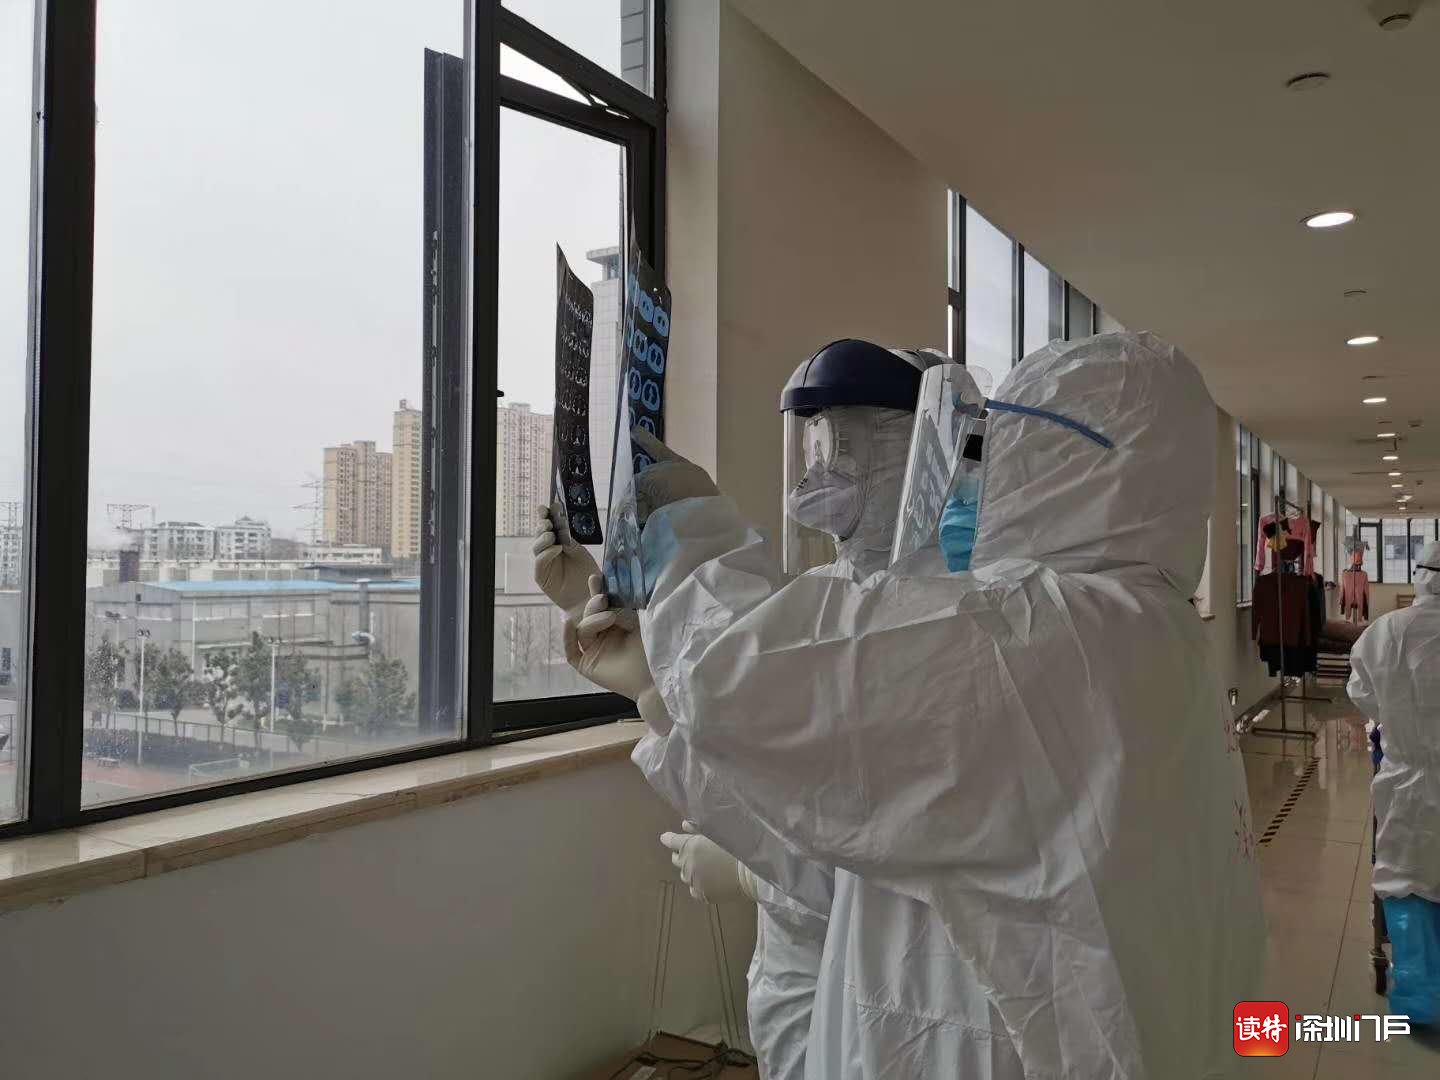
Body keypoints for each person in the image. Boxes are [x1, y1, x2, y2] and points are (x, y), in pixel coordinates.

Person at [573, 331, 1264, 1078]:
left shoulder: (1046, 630)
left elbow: (743, 686)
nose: (982, 471)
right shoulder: (1150, 628)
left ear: (1059, 456)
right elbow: (875, 812)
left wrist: (687, 532)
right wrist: (656, 687)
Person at [536, 339, 957, 1078]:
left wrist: (749, 872)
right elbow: (767, 759)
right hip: (815, 989)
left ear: (914, 448)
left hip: (888, 1009)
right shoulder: (836, 597)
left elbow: (869, 851)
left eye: (842, 443)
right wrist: (647, 682)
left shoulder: (938, 619)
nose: (816, 468)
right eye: (813, 439)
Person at [1348, 539, 1440, 1025]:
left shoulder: (1385, 631)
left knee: (1407, 878)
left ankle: (1421, 998)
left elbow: (1362, 693)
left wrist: (1395, 718)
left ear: (1420, 576)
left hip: (1406, 778)